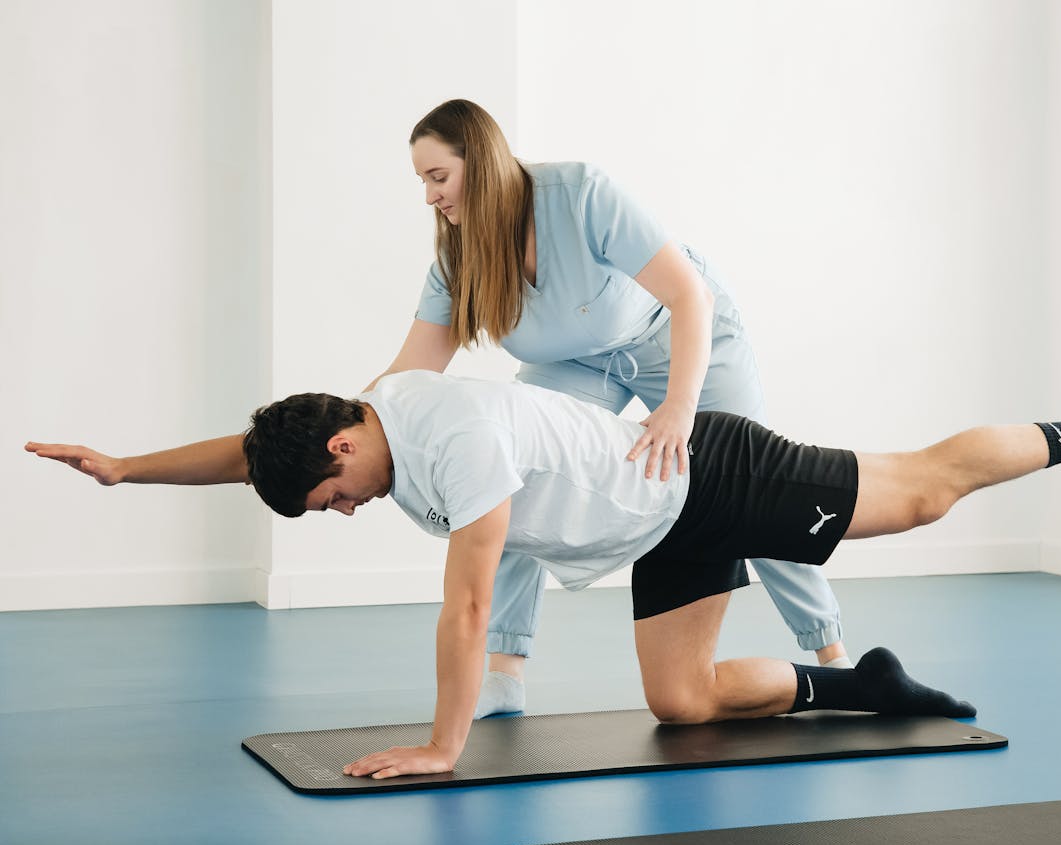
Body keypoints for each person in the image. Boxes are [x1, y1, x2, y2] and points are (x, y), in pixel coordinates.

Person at [45, 99, 854, 717]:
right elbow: (370, 405)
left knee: (752, 496)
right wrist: (128, 469)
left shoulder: (578, 194)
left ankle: (829, 648)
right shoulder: (456, 260)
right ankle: (504, 671)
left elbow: (687, 294)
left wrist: (677, 407)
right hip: (576, 362)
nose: (430, 196)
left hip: (681, 334)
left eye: (437, 176)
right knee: (501, 479)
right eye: (422, 182)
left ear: (484, 160)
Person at [27, 370, 1061, 778]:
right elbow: (254, 450)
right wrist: (127, 468)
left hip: (714, 474)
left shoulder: (455, 439)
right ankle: (866, 686)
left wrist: (445, 745)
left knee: (920, 490)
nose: (336, 513)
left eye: (330, 498)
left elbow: (467, 599)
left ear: (344, 449)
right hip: (660, 523)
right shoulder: (361, 414)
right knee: (682, 702)